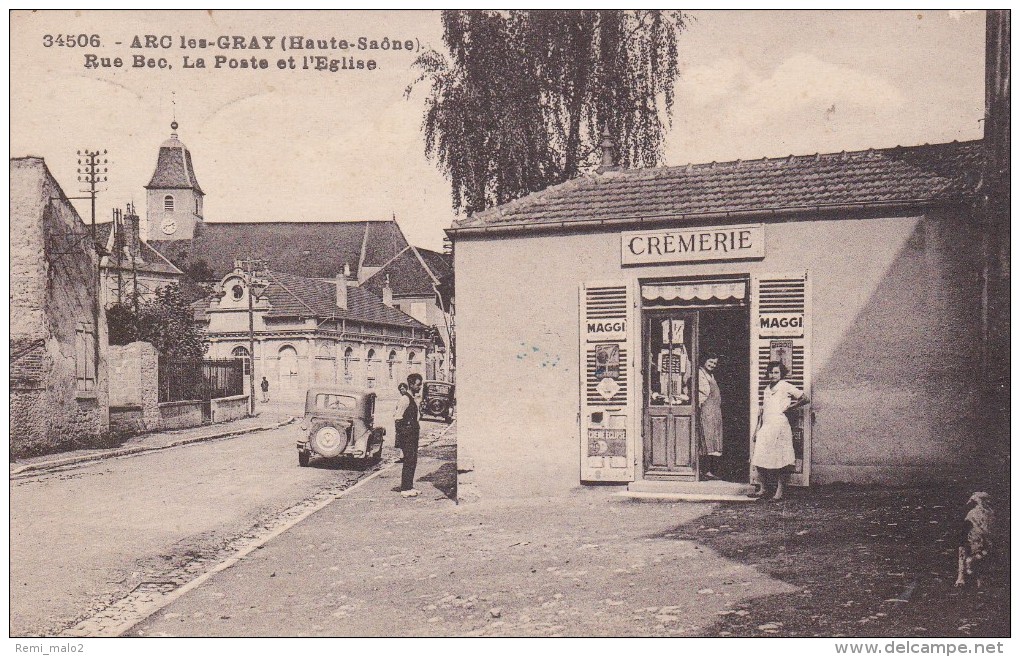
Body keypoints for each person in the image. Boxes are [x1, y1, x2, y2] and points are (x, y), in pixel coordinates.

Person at [750, 361, 809, 501]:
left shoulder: (785, 386)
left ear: (781, 373)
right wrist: (756, 430)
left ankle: (779, 492)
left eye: (776, 372)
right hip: (766, 426)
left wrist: (790, 408)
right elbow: (762, 412)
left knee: (780, 459)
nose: (773, 375)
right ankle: (763, 489)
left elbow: (805, 398)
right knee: (759, 456)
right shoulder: (766, 389)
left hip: (780, 425)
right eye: (771, 372)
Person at [393, 373, 424, 498]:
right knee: (408, 460)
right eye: (418, 384)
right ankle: (405, 488)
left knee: (412, 460)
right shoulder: (405, 399)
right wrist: (404, 435)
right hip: (407, 435)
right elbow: (398, 418)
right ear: (411, 384)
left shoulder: (412, 398)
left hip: (413, 434)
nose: (420, 387)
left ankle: (409, 486)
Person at [697, 353, 723, 480]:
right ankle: (703, 471)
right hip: (706, 411)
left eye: (714, 363)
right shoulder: (700, 374)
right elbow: (702, 393)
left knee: (713, 440)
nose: (712, 365)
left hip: (714, 411)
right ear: (704, 361)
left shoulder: (710, 375)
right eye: (710, 362)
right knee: (705, 440)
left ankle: (709, 471)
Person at [392, 382, 409, 462]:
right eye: (400, 389)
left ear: (406, 389)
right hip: (398, 419)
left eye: (403, 389)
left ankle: (403, 457)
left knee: (402, 439)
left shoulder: (405, 398)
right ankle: (402, 456)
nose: (402, 390)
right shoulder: (402, 398)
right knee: (400, 439)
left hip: (401, 420)